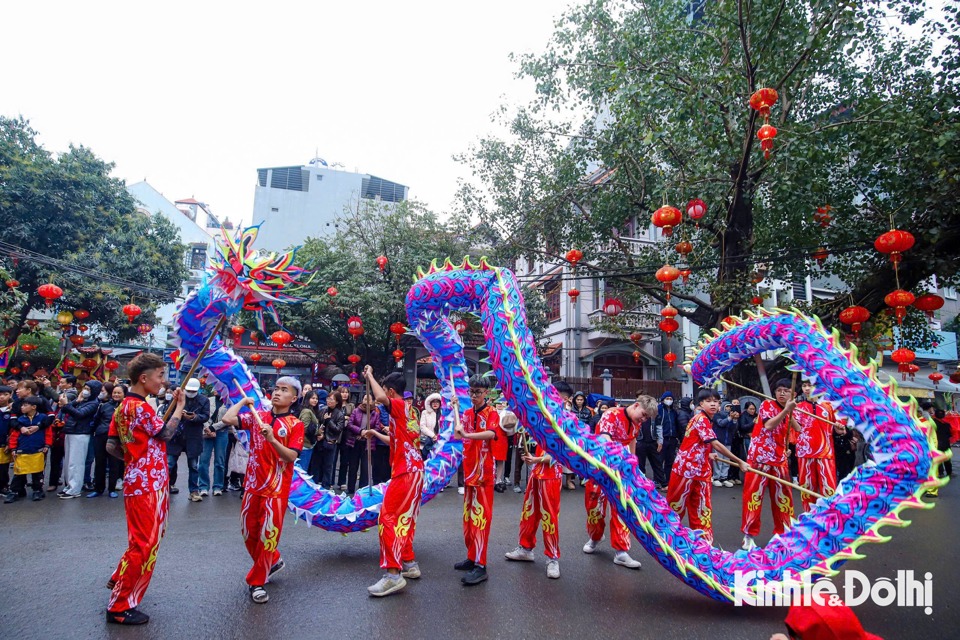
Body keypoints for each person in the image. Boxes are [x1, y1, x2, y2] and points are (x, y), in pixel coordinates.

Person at [105, 353, 186, 625]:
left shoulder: (122, 407)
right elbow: (165, 434)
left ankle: (120, 577)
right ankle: (120, 605)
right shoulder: (139, 407)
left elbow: (112, 446)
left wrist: (135, 460)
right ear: (144, 378)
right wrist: (178, 408)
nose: (163, 381)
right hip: (147, 485)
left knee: (142, 540)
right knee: (145, 543)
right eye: (160, 376)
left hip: (139, 480)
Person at [221, 377, 305, 604]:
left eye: (284, 390)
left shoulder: (295, 425)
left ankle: (257, 581)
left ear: (293, 398)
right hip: (252, 486)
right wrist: (242, 401)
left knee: (268, 536)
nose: (277, 393)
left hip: (276, 490)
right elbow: (227, 418)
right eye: (276, 389)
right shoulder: (258, 417)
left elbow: (291, 457)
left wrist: (273, 440)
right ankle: (273, 561)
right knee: (249, 533)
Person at [361, 367, 424, 597]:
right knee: (404, 518)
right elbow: (398, 439)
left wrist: (369, 376)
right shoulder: (411, 411)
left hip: (406, 472)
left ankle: (392, 574)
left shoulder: (398, 405)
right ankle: (409, 563)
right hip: (414, 471)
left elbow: (379, 398)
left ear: (390, 391)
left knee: (387, 517)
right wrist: (376, 434)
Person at [582, 394, 658, 569]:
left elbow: (632, 440)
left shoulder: (636, 422)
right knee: (594, 506)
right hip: (599, 466)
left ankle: (621, 551)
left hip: (620, 470)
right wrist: (620, 456)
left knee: (622, 508)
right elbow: (605, 438)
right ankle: (595, 536)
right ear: (636, 405)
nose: (644, 419)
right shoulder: (611, 414)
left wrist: (633, 462)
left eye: (647, 418)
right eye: (644, 414)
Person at [667, 388, 748, 544]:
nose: (713, 404)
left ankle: (704, 544)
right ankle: (666, 539)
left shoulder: (707, 419)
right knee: (675, 507)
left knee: (702, 508)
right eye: (709, 401)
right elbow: (716, 443)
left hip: (702, 471)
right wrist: (739, 461)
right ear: (701, 403)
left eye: (716, 401)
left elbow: (695, 442)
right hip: (685, 470)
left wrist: (707, 453)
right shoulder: (700, 419)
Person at [741, 378, 798, 551]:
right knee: (753, 497)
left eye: (786, 391)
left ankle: (783, 533)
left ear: (793, 394)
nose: (782, 393)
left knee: (783, 497)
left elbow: (799, 429)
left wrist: (790, 411)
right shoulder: (767, 405)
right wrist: (785, 411)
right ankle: (748, 536)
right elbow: (769, 425)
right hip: (760, 458)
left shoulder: (791, 408)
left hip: (779, 459)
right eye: (779, 390)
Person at [454, 374, 500, 586]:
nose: (474, 396)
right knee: (469, 519)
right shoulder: (465, 413)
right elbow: (459, 435)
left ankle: (481, 565)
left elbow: (490, 434)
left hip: (483, 475)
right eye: (471, 391)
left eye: (478, 392)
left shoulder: (492, 413)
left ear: (486, 393)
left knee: (481, 520)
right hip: (469, 472)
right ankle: (472, 556)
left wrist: (466, 435)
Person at [504, 437, 563, 579]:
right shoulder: (541, 424)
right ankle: (525, 548)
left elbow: (559, 454)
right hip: (536, 473)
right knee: (529, 513)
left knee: (550, 517)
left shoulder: (562, 424)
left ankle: (552, 558)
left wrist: (536, 460)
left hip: (551, 476)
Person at [794, 380, 837, 511]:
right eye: (804, 385)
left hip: (825, 451)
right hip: (804, 452)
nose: (807, 388)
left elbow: (837, 426)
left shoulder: (829, 406)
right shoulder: (798, 407)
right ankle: (809, 515)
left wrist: (841, 429)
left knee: (828, 488)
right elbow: (796, 429)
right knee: (807, 488)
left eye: (810, 385)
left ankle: (828, 516)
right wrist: (789, 414)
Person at [167, 378, 210, 502]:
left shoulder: (204, 400)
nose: (190, 393)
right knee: (169, 464)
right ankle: (164, 488)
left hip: (193, 436)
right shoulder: (177, 398)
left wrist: (194, 417)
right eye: (189, 390)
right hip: (176, 436)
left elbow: (205, 416)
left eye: (193, 391)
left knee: (193, 466)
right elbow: (168, 413)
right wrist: (179, 414)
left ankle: (194, 491)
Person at [4, 395, 52, 502]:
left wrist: (47, 445)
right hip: (22, 451)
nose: (22, 407)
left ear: (34, 407)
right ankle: (15, 491)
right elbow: (14, 435)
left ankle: (38, 490)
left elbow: (48, 433)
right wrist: (13, 448)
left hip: (38, 450)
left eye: (25, 405)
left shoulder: (43, 418)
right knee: (19, 473)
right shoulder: (20, 420)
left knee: (37, 472)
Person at [59, 380, 102, 499]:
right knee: (68, 462)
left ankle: (75, 488)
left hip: (81, 433)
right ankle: (68, 486)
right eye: (85, 388)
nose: (85, 391)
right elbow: (64, 410)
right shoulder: (82, 400)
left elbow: (80, 414)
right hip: (71, 431)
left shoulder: (93, 403)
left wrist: (67, 404)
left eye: (88, 389)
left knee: (76, 463)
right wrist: (74, 402)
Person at [89, 383, 125, 499]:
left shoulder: (126, 407)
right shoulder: (103, 406)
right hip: (101, 435)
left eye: (119, 393)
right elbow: (96, 420)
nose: (116, 395)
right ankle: (98, 489)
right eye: (114, 392)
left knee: (114, 464)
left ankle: (112, 489)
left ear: (124, 394)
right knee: (100, 463)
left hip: (117, 438)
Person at [312, 390, 344, 488]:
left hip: (330, 442)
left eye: (331, 399)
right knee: (316, 465)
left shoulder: (339, 414)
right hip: (319, 441)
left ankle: (326, 486)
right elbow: (318, 423)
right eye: (328, 399)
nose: (329, 401)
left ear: (337, 401)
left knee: (328, 466)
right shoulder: (323, 410)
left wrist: (329, 420)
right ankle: (315, 485)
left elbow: (338, 430)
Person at [199, 398, 230, 497]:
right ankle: (203, 486)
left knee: (220, 461)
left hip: (222, 432)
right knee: (203, 460)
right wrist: (207, 428)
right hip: (207, 432)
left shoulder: (229, 402)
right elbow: (203, 414)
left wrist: (214, 428)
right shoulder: (208, 400)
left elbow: (228, 419)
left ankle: (218, 486)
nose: (215, 389)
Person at [355, 394, 386, 490]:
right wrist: (360, 431)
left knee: (366, 466)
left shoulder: (375, 413)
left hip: (370, 442)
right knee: (353, 465)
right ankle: (351, 487)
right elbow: (351, 424)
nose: (367, 401)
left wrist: (370, 432)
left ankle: (363, 487)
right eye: (365, 399)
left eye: (369, 400)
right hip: (357, 440)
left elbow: (377, 426)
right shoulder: (356, 411)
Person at [655, 391, 681, 489]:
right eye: (667, 398)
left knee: (670, 461)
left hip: (672, 438)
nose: (669, 400)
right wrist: (658, 439)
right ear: (663, 399)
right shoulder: (659, 410)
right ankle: (657, 480)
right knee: (659, 460)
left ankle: (667, 481)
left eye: (671, 399)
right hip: (662, 438)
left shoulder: (674, 411)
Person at [635, 408, 664, 489]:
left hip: (652, 441)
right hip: (640, 441)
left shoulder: (655, 415)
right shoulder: (637, 413)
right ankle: (641, 482)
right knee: (640, 464)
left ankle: (662, 483)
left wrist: (660, 441)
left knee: (657, 463)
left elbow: (659, 428)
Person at [711, 403, 737, 487]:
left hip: (728, 442)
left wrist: (735, 420)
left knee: (727, 461)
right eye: (727, 406)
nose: (728, 408)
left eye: (730, 407)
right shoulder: (717, 415)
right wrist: (730, 418)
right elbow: (721, 423)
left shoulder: (731, 417)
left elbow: (734, 428)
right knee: (718, 460)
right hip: (719, 442)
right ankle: (716, 478)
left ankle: (724, 478)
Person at [336, 385, 356, 490]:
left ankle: (342, 481)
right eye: (342, 392)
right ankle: (329, 481)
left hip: (347, 435)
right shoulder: (335, 405)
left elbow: (354, 418)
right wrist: (343, 418)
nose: (345, 394)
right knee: (333, 459)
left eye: (346, 392)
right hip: (335, 434)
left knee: (345, 460)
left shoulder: (351, 406)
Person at [297, 390, 321, 471]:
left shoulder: (311, 410)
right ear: (307, 399)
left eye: (316, 398)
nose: (315, 400)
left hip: (308, 445)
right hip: (305, 445)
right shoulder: (307, 411)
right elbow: (303, 428)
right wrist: (318, 432)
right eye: (312, 398)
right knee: (302, 470)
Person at [419, 393, 441, 460]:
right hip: (426, 442)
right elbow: (422, 426)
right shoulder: (425, 412)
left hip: (439, 443)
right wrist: (433, 436)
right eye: (433, 402)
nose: (435, 404)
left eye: (437, 402)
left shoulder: (443, 413)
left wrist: (438, 437)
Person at [0, 384, 13, 496]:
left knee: (3, 468)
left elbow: (13, 429)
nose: (2, 397)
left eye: (5, 394)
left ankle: (3, 486)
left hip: (4, 443)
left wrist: (10, 443)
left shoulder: (11, 411)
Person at [934, 408, 953, 479]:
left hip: (937, 443)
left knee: (939, 459)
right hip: (946, 443)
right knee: (947, 458)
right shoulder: (947, 424)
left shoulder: (932, 423)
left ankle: (941, 472)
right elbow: (950, 434)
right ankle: (949, 472)